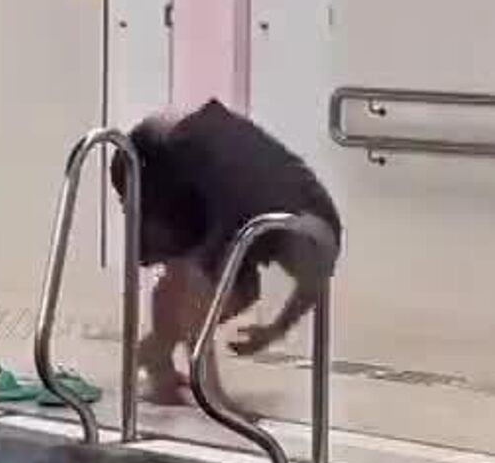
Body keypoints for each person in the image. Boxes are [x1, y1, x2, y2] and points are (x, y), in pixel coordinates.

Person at [110, 100, 342, 405]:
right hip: (155, 156)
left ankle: (156, 354)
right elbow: (195, 291)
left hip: (206, 153)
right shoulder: (236, 216)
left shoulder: (324, 231)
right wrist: (214, 396)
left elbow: (312, 284)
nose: (294, 271)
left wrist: (275, 330)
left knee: (242, 293)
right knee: (201, 287)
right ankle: (164, 367)